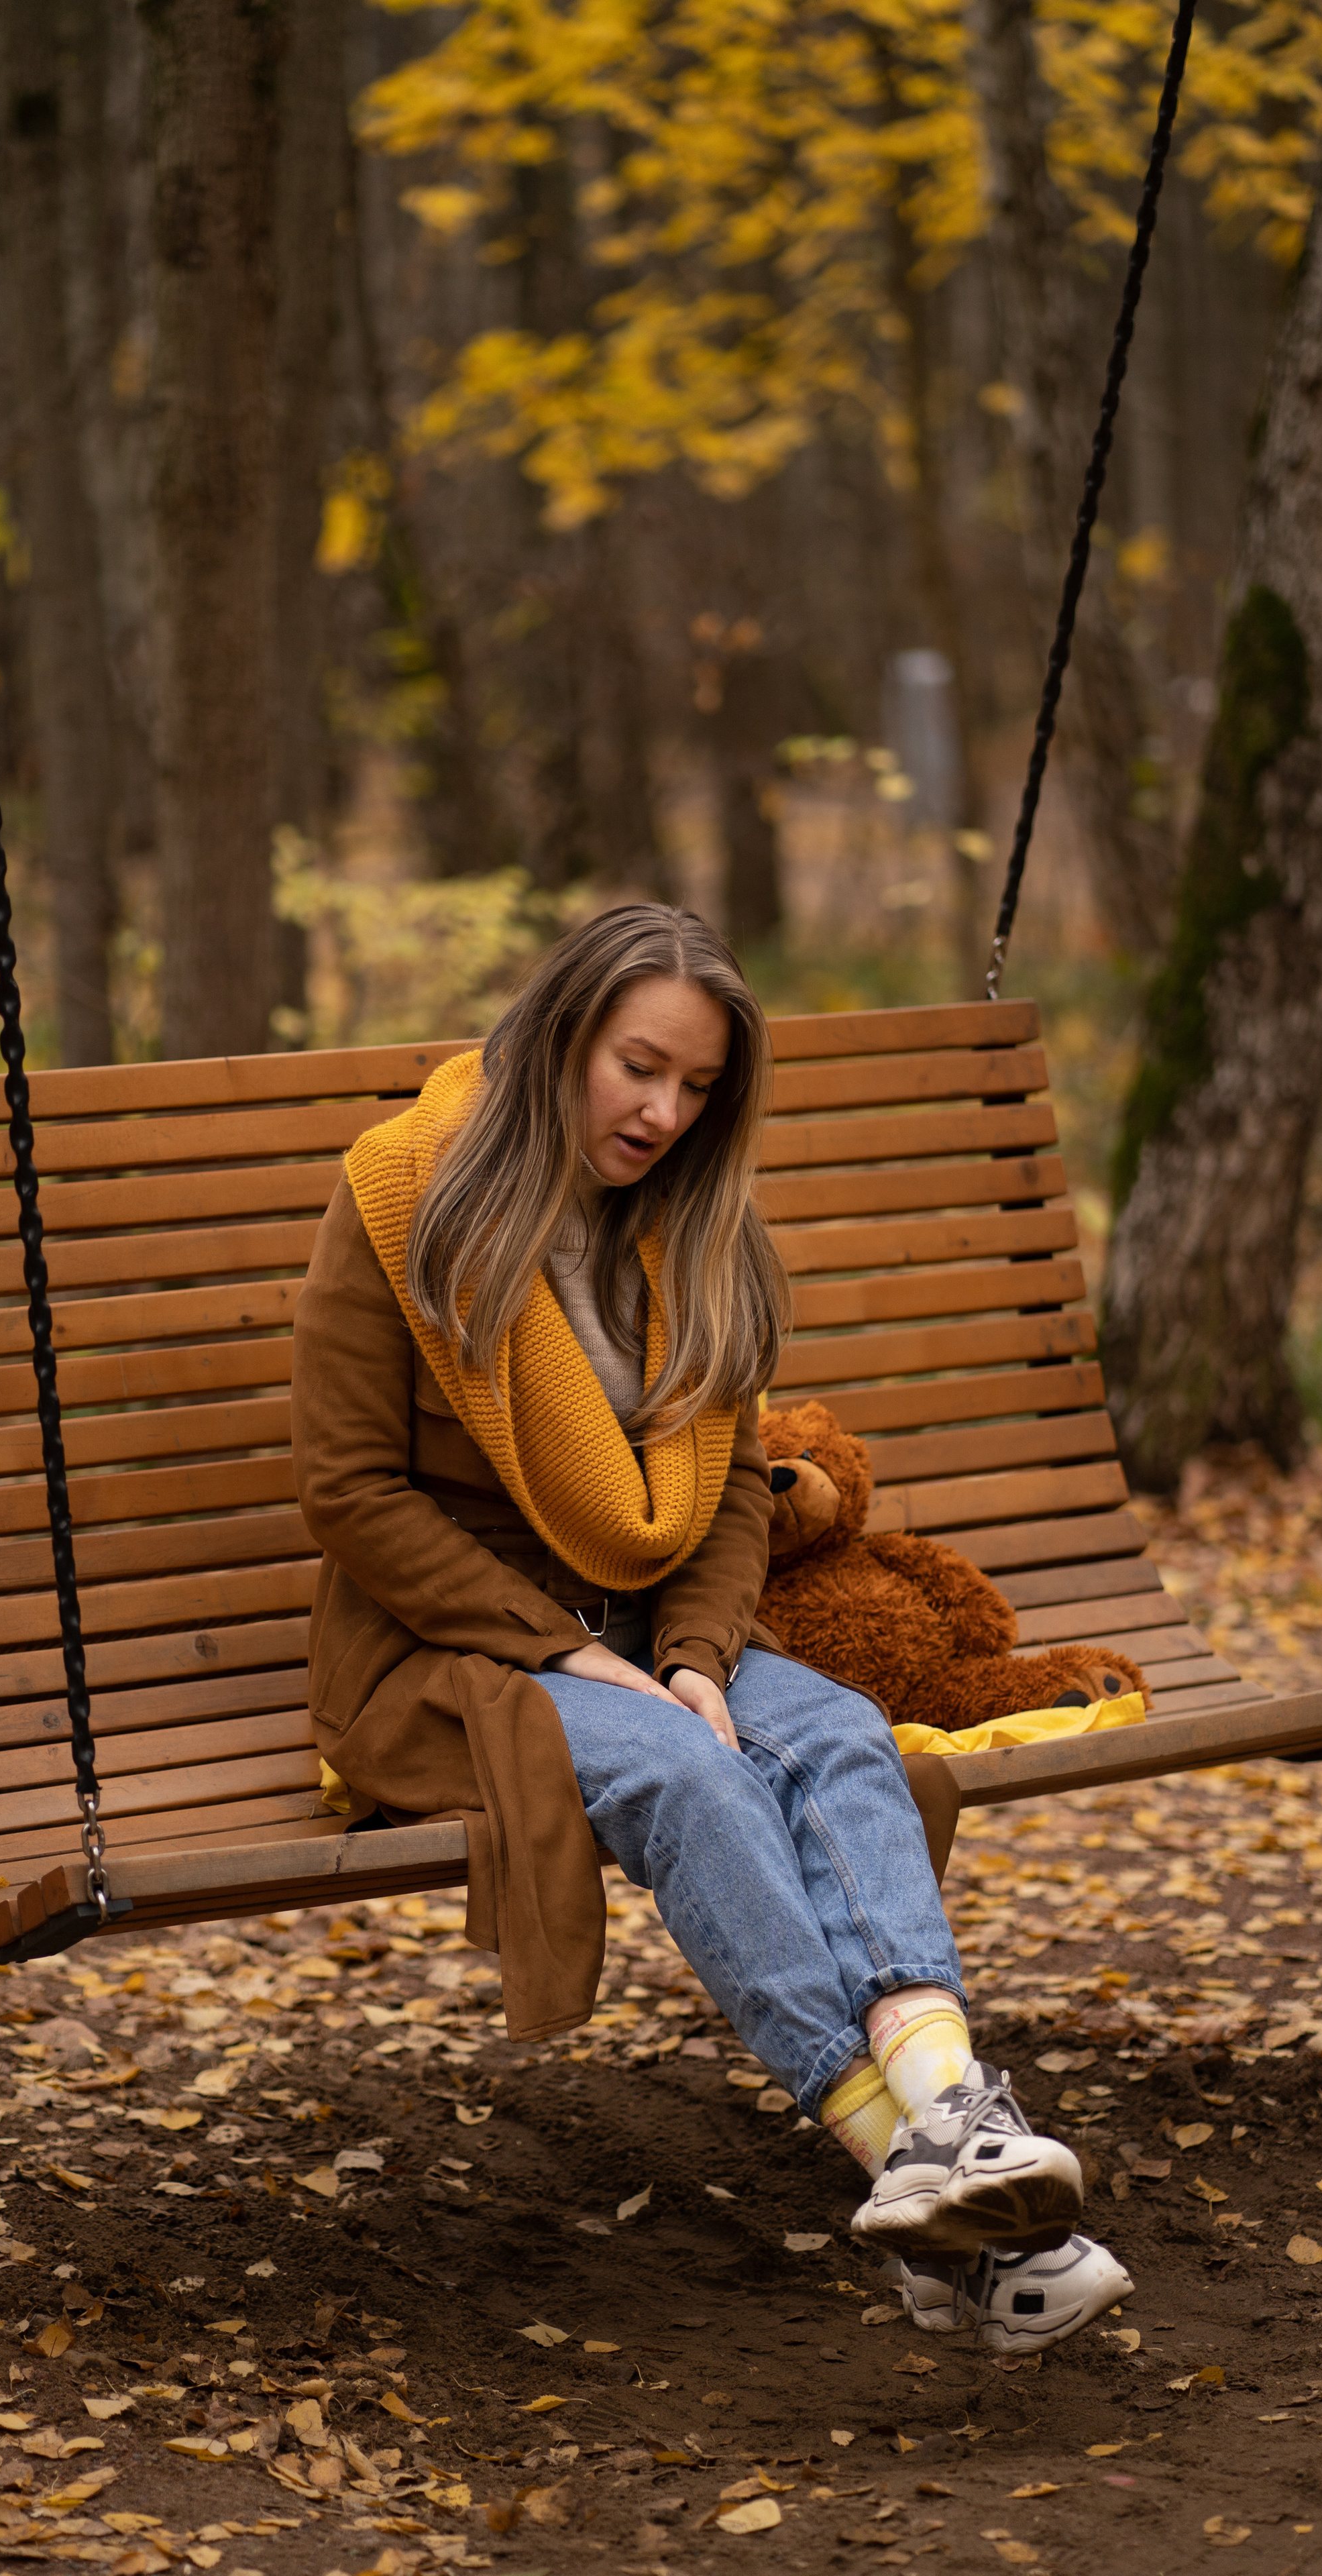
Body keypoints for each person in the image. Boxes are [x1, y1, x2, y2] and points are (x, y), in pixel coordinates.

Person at [292, 903, 1131, 2351]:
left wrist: (685, 1651)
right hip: (453, 1652)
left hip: (653, 1623)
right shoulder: (400, 1201)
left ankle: (949, 2128)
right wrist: (576, 1655)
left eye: (694, 1088)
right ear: (560, 1034)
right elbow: (349, 1491)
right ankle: (911, 2167)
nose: (662, 1113)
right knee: (685, 1774)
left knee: (844, 1735)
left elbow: (731, 1482)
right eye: (637, 1068)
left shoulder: (694, 1227)